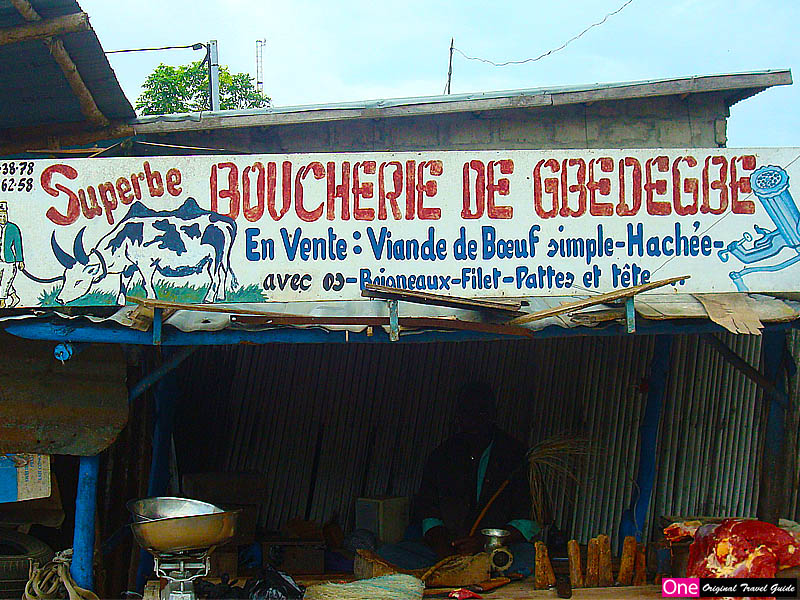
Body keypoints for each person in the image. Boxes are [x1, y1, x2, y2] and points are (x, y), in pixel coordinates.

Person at [378, 381, 538, 574]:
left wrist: (482, 542)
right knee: (387, 555)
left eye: (481, 413)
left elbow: (527, 521)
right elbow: (429, 516)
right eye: (467, 414)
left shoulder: (516, 456)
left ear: (494, 414)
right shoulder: (442, 456)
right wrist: (445, 551)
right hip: (445, 552)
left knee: (528, 558)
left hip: (497, 553)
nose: (474, 421)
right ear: (459, 417)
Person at [0, 202, 24, 308]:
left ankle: (2, 303)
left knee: (5, 281)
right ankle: (14, 297)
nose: (3, 218)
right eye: (0, 216)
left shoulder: (13, 228)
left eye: (4, 215)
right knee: (4, 283)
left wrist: (20, 260)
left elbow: (18, 245)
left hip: (9, 261)